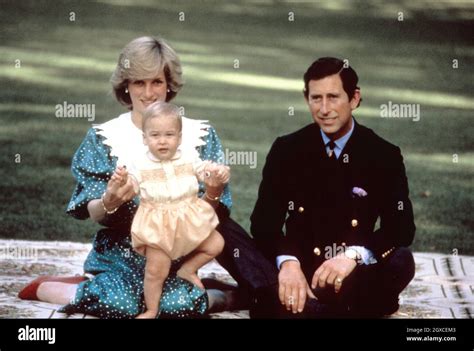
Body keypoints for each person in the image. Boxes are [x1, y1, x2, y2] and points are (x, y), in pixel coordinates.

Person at [18, 36, 276, 318]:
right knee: (120, 304)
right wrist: (109, 200)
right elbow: (93, 212)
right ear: (125, 86)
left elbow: (210, 215)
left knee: (176, 306)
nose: (149, 92)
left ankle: (223, 295)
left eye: (157, 82)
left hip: (179, 249)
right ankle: (59, 287)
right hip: (122, 249)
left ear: (169, 85)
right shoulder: (103, 138)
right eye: (138, 82)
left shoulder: (200, 135)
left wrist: (213, 191)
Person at [249, 57, 416, 318]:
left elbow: (402, 228)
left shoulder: (383, 154)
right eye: (316, 98)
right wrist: (288, 263)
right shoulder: (287, 149)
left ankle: (314, 309)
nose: (324, 109)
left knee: (402, 261)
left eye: (333, 97)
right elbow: (263, 225)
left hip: (353, 273)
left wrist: (352, 256)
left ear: (354, 98)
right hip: (301, 271)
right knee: (241, 247)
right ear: (307, 99)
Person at [114, 101, 227, 318]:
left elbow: (202, 170)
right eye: (155, 135)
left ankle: (188, 269)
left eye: (169, 134)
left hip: (187, 218)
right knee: (157, 270)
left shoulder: (188, 157)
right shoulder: (140, 164)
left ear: (180, 137)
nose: (162, 141)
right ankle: (152, 309)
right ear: (145, 139)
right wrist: (122, 183)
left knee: (216, 243)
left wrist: (214, 172)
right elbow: (133, 184)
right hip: (158, 225)